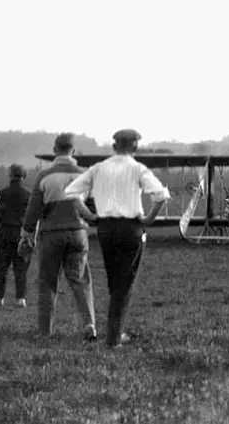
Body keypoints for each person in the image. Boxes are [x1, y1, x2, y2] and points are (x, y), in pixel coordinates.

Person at [63, 128, 171, 347]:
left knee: (114, 280)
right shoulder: (138, 169)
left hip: (105, 229)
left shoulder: (98, 168)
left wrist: (90, 215)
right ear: (135, 147)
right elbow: (160, 196)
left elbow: (72, 192)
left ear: (114, 147)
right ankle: (114, 338)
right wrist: (149, 219)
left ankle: (116, 330)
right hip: (131, 228)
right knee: (125, 282)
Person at [20, 133, 98, 342]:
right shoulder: (85, 175)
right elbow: (92, 208)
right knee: (80, 280)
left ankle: (45, 331)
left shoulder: (44, 176)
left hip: (51, 235)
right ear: (73, 151)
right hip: (78, 234)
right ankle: (89, 324)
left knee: (47, 282)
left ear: (54, 151)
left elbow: (33, 211)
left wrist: (27, 234)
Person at [0, 164, 32, 308]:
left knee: (1, 267)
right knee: (21, 268)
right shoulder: (28, 195)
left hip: (4, 233)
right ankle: (20, 299)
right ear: (24, 176)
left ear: (10, 175)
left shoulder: (2, 194)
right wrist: (33, 238)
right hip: (22, 234)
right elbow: (34, 219)